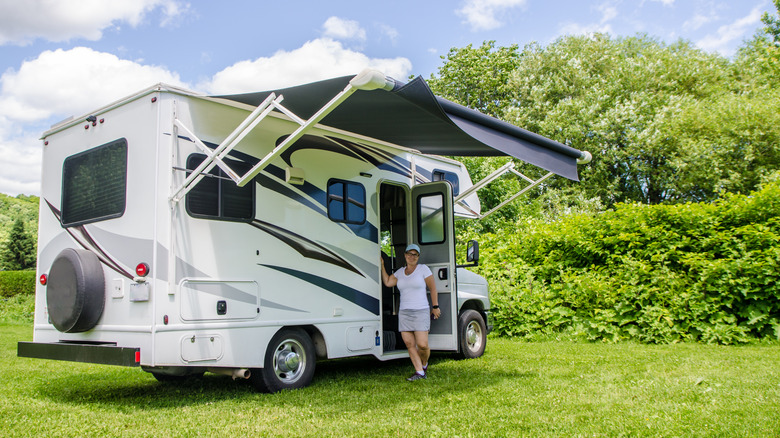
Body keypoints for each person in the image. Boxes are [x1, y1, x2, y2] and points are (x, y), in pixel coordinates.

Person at [380, 243, 441, 381]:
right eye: (409, 254)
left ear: (418, 257)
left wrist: (435, 306)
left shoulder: (423, 269)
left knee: (423, 344)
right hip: (405, 312)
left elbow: (433, 288)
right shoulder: (400, 272)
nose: (411, 257)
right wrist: (382, 266)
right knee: (409, 343)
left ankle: (424, 364)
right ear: (405, 255)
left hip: (421, 310)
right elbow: (388, 282)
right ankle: (419, 372)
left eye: (415, 254)